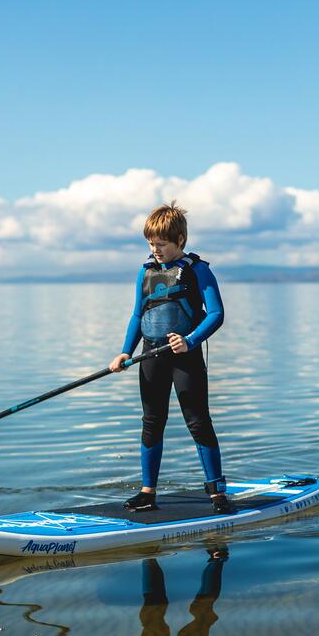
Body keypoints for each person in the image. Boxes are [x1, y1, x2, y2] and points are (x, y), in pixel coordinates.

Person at [110, 202, 233, 514]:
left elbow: (216, 314)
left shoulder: (198, 271)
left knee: (198, 421)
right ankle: (147, 492)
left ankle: (217, 493)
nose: (156, 250)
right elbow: (138, 314)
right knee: (152, 422)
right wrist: (126, 351)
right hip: (150, 354)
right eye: (151, 244)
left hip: (185, 357)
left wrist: (190, 341)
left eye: (161, 244)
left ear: (180, 240)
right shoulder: (145, 271)